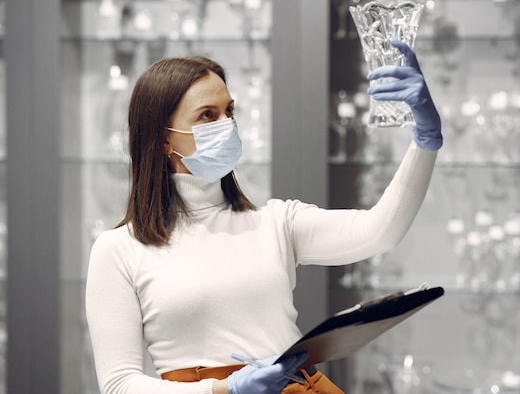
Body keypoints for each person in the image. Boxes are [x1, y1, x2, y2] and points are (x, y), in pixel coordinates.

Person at [85, 38, 442, 394]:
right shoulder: (118, 250)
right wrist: (225, 390)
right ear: (164, 140)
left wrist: (425, 139)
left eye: (229, 111)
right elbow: (119, 386)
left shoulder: (276, 222)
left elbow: (381, 231)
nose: (226, 123)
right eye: (207, 115)